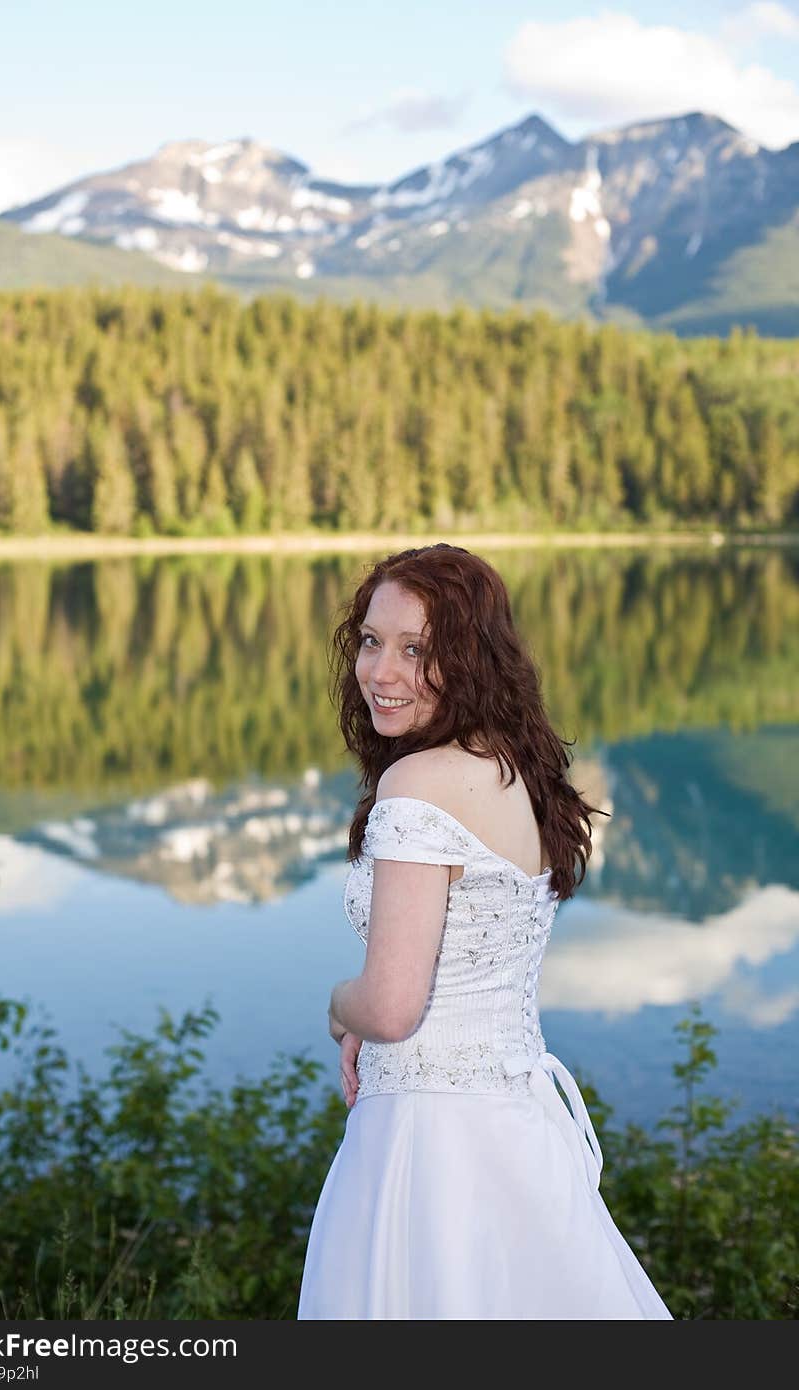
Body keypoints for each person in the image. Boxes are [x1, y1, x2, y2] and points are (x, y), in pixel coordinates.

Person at [297, 543, 673, 1320]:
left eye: (417, 651)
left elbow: (392, 1005)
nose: (381, 673)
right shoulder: (515, 772)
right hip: (518, 1130)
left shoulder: (416, 785)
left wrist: (339, 1008)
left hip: (429, 1148)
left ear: (470, 660)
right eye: (371, 641)